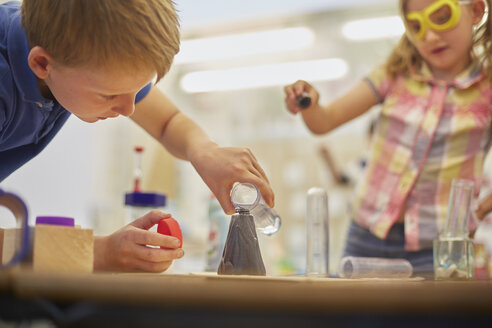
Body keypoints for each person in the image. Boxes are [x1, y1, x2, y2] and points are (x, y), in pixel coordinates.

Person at [0, 0, 274, 273]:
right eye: (109, 95)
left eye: (139, 88)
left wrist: (204, 150)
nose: (129, 108)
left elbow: (168, 122)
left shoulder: (74, 56)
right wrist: (99, 252)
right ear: (41, 63)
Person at [284, 0, 492, 274]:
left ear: (476, 10)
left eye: (442, 16)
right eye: (416, 26)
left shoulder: (486, 91)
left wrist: (480, 209)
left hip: (439, 247)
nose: (429, 36)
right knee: (354, 316)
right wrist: (307, 104)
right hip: (366, 236)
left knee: (432, 319)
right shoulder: (393, 75)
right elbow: (325, 121)